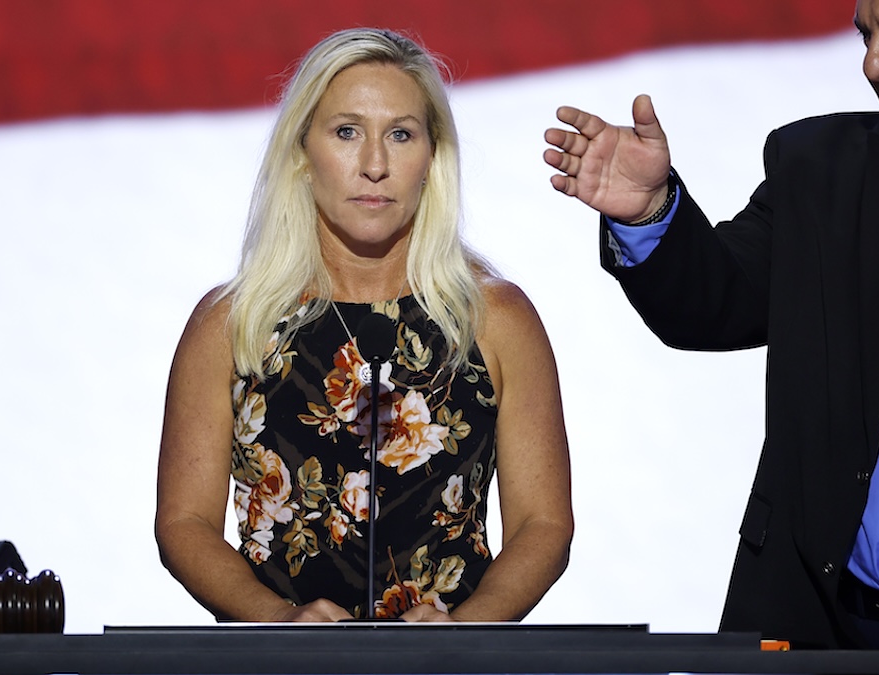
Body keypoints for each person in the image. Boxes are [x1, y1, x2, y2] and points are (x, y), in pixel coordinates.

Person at [543, 0, 879, 672]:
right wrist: (652, 213)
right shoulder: (823, 172)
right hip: (843, 636)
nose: (873, 63)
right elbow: (712, 303)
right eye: (866, 35)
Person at [156, 27, 572, 622]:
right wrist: (277, 622)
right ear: (302, 151)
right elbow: (183, 523)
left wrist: (467, 629)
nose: (375, 165)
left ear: (432, 157)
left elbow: (545, 523)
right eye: (347, 132)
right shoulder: (232, 324)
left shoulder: (496, 321)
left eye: (400, 134)